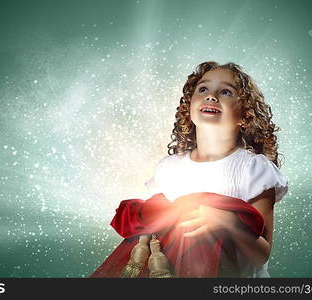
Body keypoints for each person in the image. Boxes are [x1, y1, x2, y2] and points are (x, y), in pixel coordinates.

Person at [92, 61, 288, 278]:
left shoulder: (253, 168)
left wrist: (229, 222)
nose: (211, 96)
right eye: (203, 89)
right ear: (189, 106)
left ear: (245, 116)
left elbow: (261, 255)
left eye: (226, 92)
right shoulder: (169, 168)